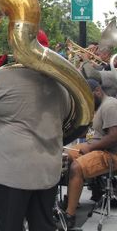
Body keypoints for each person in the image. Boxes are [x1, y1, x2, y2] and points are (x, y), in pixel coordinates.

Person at [0, 53, 71, 231]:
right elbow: (67, 117)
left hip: (10, 174)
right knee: (43, 226)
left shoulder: (5, 76)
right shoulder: (59, 84)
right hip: (46, 172)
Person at [62, 79, 117, 230]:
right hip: (99, 149)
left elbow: (114, 136)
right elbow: (95, 134)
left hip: (111, 154)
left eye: (89, 97)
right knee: (64, 155)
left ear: (98, 91)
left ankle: (69, 215)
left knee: (76, 167)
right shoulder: (100, 107)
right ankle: (72, 200)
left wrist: (90, 147)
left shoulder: (110, 106)